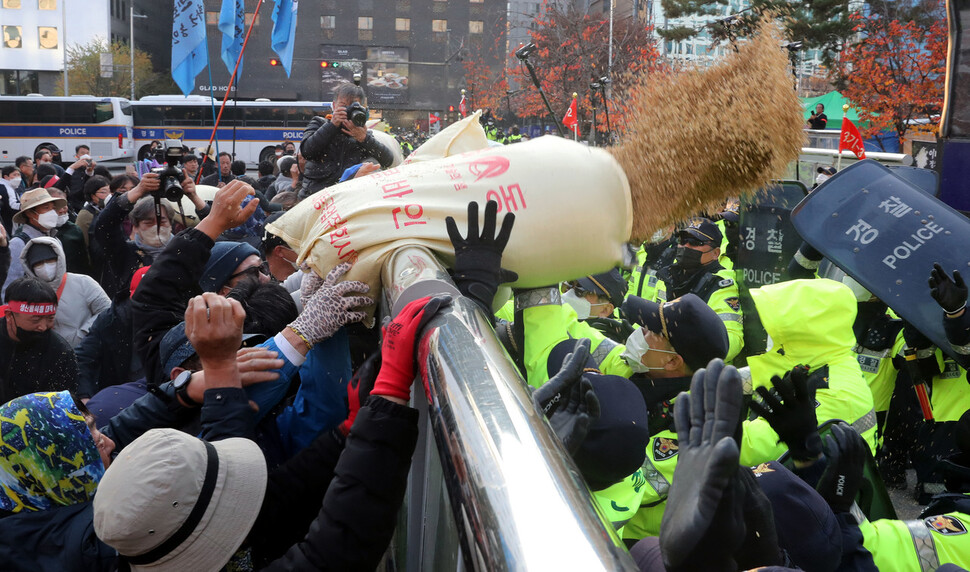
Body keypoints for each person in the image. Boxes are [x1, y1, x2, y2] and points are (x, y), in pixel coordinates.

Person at [92, 291, 445, 571]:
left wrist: (349, 432)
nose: (246, 359)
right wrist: (389, 397)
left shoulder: (184, 526)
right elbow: (337, 548)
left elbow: (280, 492)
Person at [656, 217, 743, 362]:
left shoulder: (720, 284)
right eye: (683, 241)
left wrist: (691, 350)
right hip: (662, 362)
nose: (686, 246)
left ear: (715, 253)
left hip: (702, 374)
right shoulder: (668, 275)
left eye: (696, 242)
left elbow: (731, 340)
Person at [298, 82, 394, 197]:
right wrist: (332, 126)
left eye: (353, 106)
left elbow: (388, 160)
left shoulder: (362, 133)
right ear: (334, 106)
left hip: (347, 196)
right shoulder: (319, 123)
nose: (348, 110)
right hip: (316, 195)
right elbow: (307, 152)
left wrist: (364, 138)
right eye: (343, 105)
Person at [92, 172, 176, 299]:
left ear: (171, 224)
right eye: (148, 223)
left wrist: (193, 196)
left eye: (162, 222)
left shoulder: (182, 251)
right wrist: (138, 190)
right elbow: (104, 226)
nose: (156, 227)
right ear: (135, 227)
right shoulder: (125, 253)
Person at [0, 276, 78, 404]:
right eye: (35, 320)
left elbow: (60, 406)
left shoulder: (61, 353)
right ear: (9, 315)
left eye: (50, 319)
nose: (42, 327)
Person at [20, 237, 110, 347]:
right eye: (38, 264)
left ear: (59, 259)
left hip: (88, 351)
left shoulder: (84, 282)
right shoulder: (27, 293)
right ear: (30, 268)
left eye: (50, 260)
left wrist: (83, 333)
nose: (45, 267)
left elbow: (107, 310)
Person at [2, 187, 67, 297]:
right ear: (30, 213)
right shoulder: (18, 243)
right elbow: (9, 286)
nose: (52, 213)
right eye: (46, 208)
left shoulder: (55, 240)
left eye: (53, 208)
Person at [75, 175, 110, 249]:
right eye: (104, 192)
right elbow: (83, 242)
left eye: (110, 192)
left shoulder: (110, 209)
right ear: (93, 195)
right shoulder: (86, 214)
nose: (108, 195)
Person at [0, 165, 22, 233]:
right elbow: (13, 206)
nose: (17, 177)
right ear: (6, 177)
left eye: (18, 175)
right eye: (14, 175)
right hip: (9, 222)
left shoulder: (7, 186)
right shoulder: (7, 188)